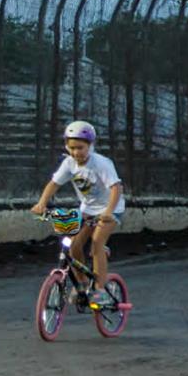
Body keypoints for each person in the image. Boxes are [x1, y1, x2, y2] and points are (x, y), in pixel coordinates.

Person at [30, 121, 124, 308]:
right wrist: (42, 203)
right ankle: (81, 285)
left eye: (80, 148)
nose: (75, 152)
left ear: (90, 145)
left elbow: (116, 188)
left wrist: (108, 212)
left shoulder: (101, 163)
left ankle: (100, 290)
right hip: (87, 210)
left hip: (112, 209)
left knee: (96, 244)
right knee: (73, 246)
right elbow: (54, 184)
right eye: (71, 148)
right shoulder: (69, 163)